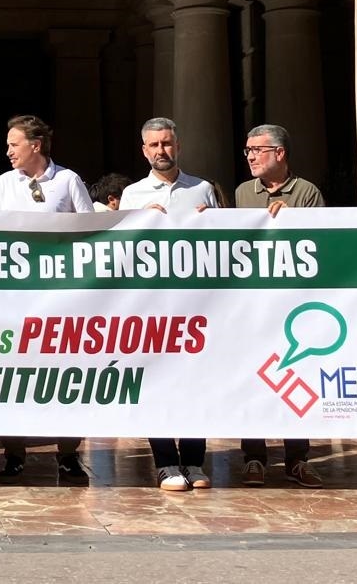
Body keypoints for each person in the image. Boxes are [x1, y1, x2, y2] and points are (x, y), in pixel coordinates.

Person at [0, 115, 94, 483]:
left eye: (14, 144)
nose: (8, 151)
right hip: (14, 301)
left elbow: (93, 233)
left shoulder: (68, 180)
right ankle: (13, 454)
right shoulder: (3, 183)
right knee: (12, 379)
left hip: (60, 301)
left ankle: (69, 455)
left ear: (36, 145)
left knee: (67, 378)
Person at [119, 117, 216, 491]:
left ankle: (193, 461)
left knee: (197, 381)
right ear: (144, 150)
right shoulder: (133, 194)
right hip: (151, 305)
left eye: (167, 143)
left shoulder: (203, 189)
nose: (162, 151)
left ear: (178, 145)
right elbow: (120, 251)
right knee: (155, 382)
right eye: (154, 145)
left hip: (196, 305)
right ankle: (165, 463)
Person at [234, 123, 324, 488]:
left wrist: (295, 220)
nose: (251, 156)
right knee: (253, 382)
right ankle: (254, 457)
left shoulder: (307, 192)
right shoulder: (242, 192)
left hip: (293, 308)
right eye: (248, 150)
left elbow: (322, 240)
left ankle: (297, 458)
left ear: (280, 153)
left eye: (258, 149)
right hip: (252, 309)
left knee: (294, 382)